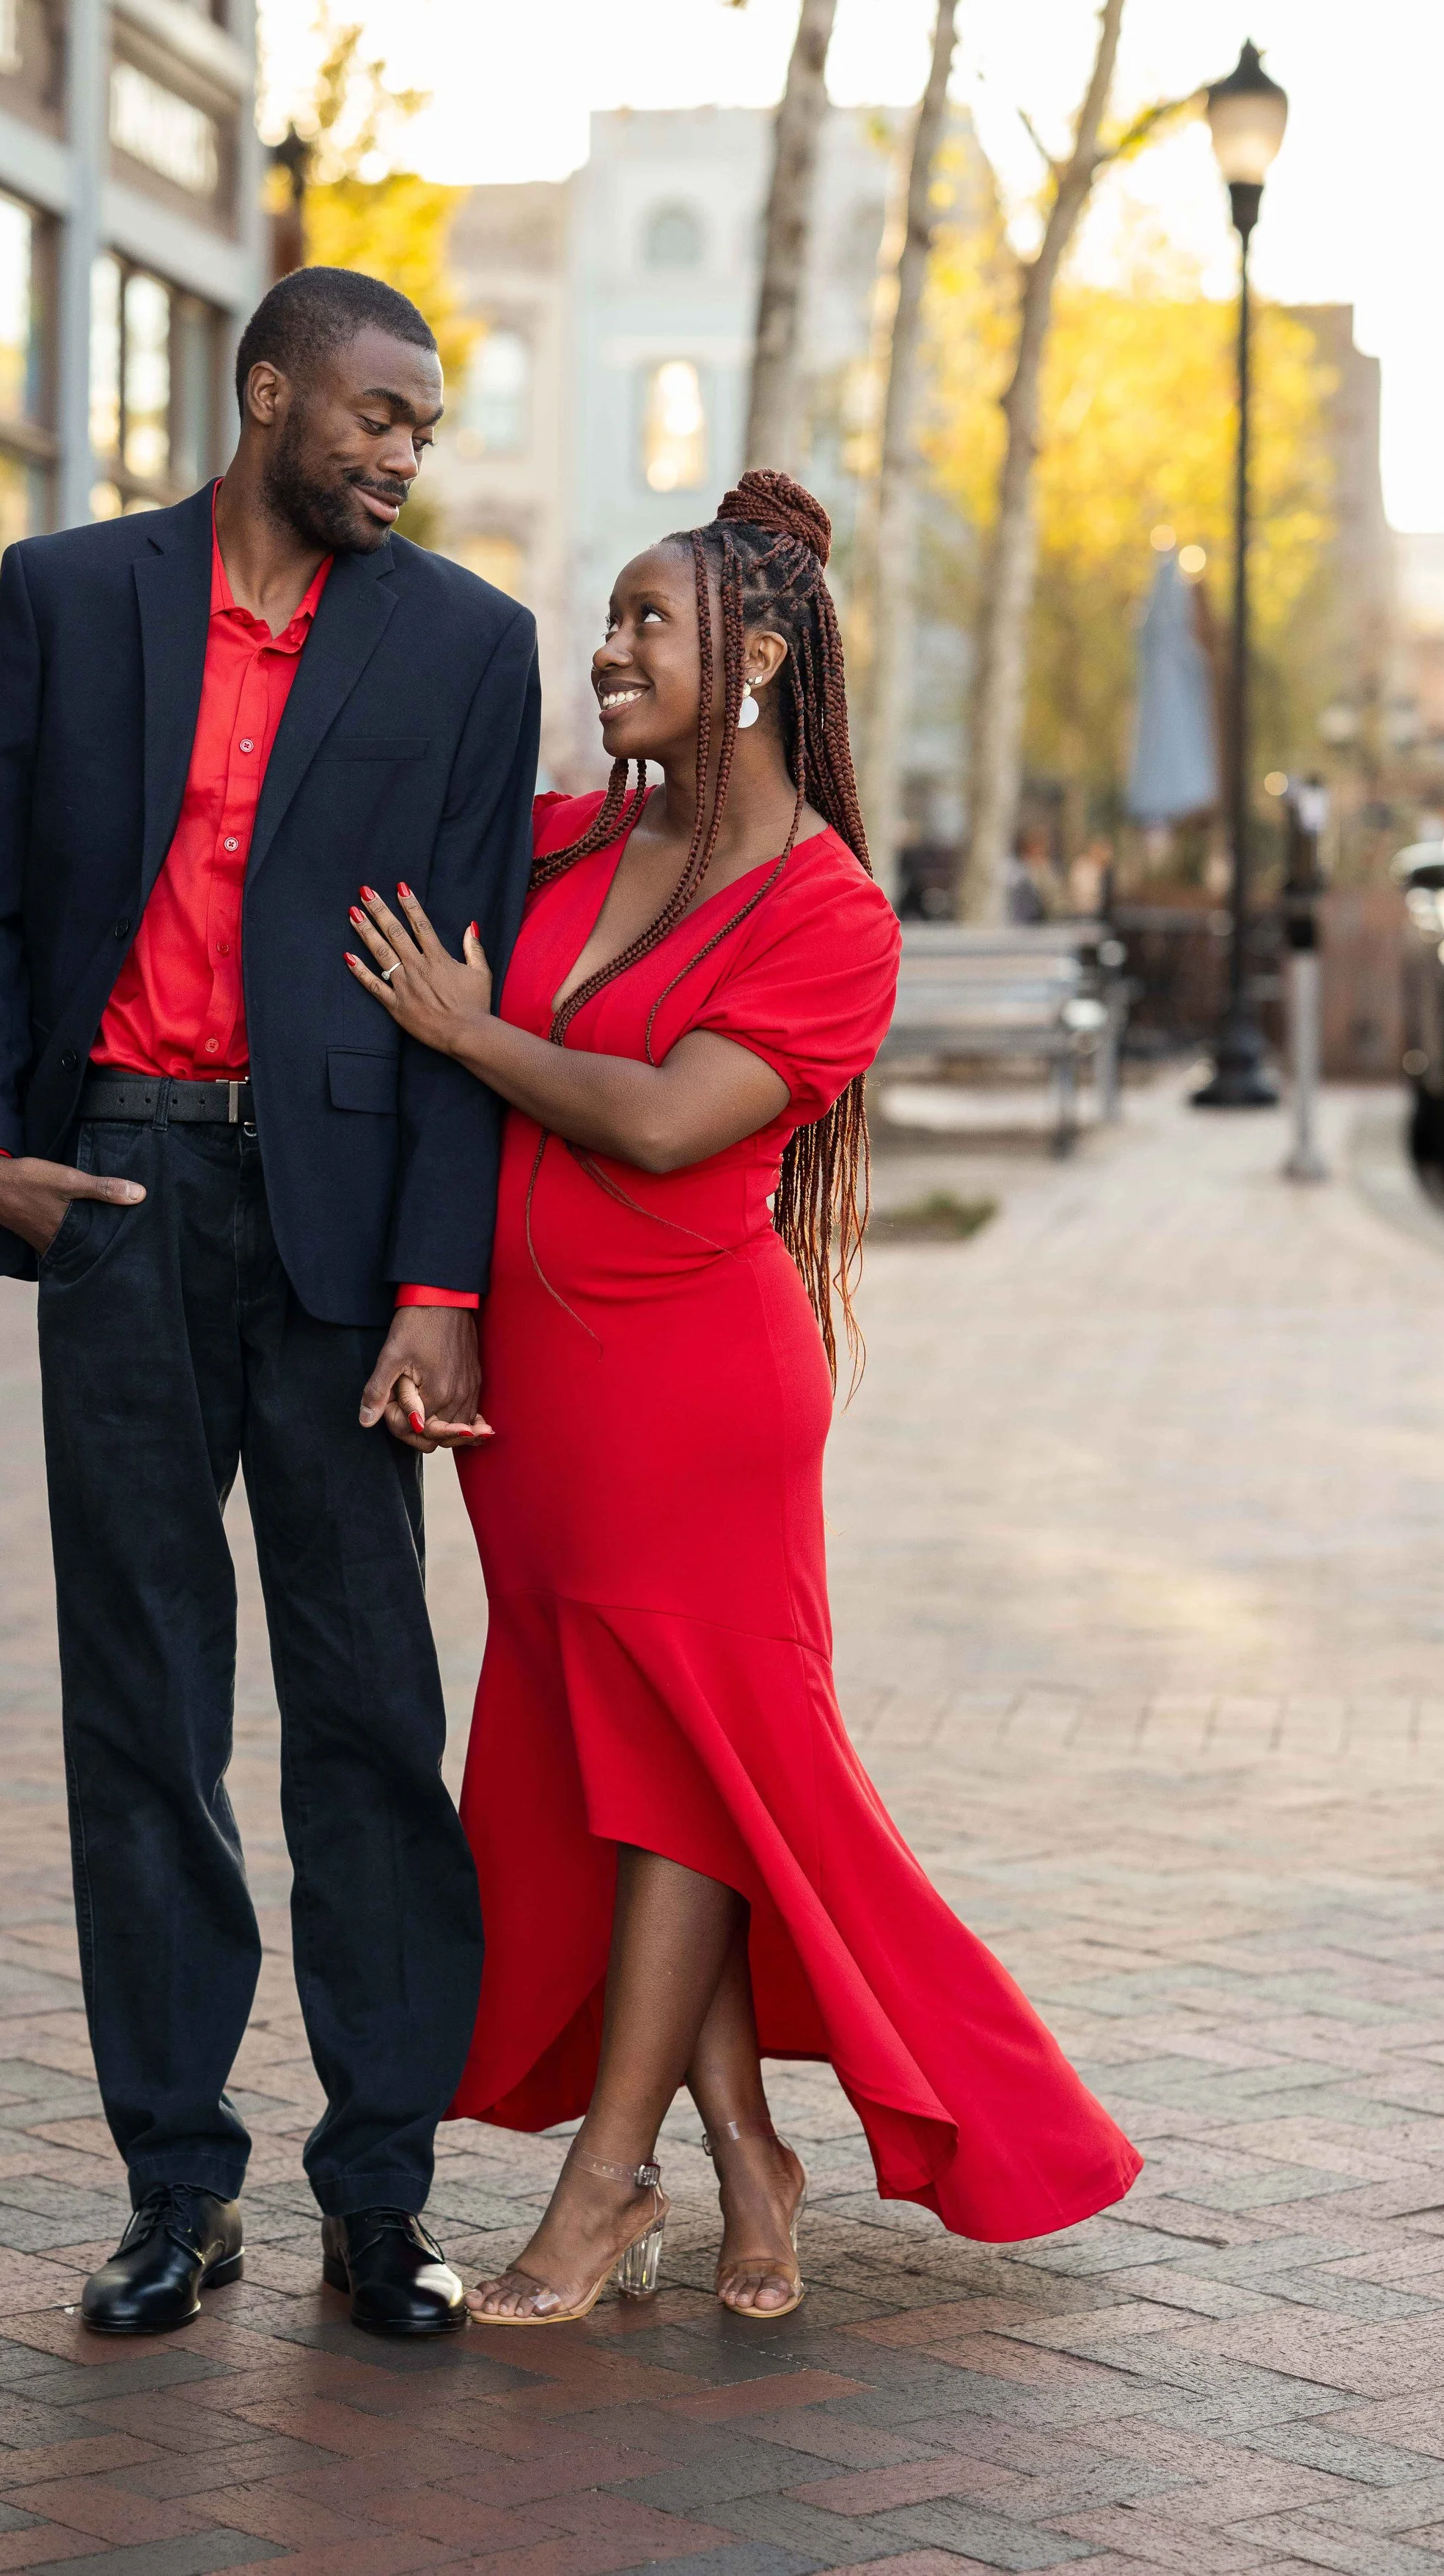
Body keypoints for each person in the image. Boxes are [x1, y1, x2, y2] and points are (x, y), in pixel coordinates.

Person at [346, 471, 1140, 2325]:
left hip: (689, 1403)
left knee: (689, 1781)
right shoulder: (563, 849)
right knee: (647, 1781)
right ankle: (745, 2158)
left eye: (647, 623)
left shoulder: (827, 912)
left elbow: (655, 1117)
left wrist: (468, 1032)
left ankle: (604, 2190)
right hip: (529, 1415)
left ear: (756, 661)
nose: (607, 652)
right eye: (607, 619)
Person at [0, 268, 541, 2341]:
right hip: (119, 1186)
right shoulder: (69, 597)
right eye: (372, 413)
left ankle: (381, 2187)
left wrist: (441, 1284)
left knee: (369, 1702)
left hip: (347, 1222)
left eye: (422, 430)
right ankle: (176, 2182)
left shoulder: (466, 644)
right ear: (267, 391)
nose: (398, 452)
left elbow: (468, 1009)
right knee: (146, 1703)